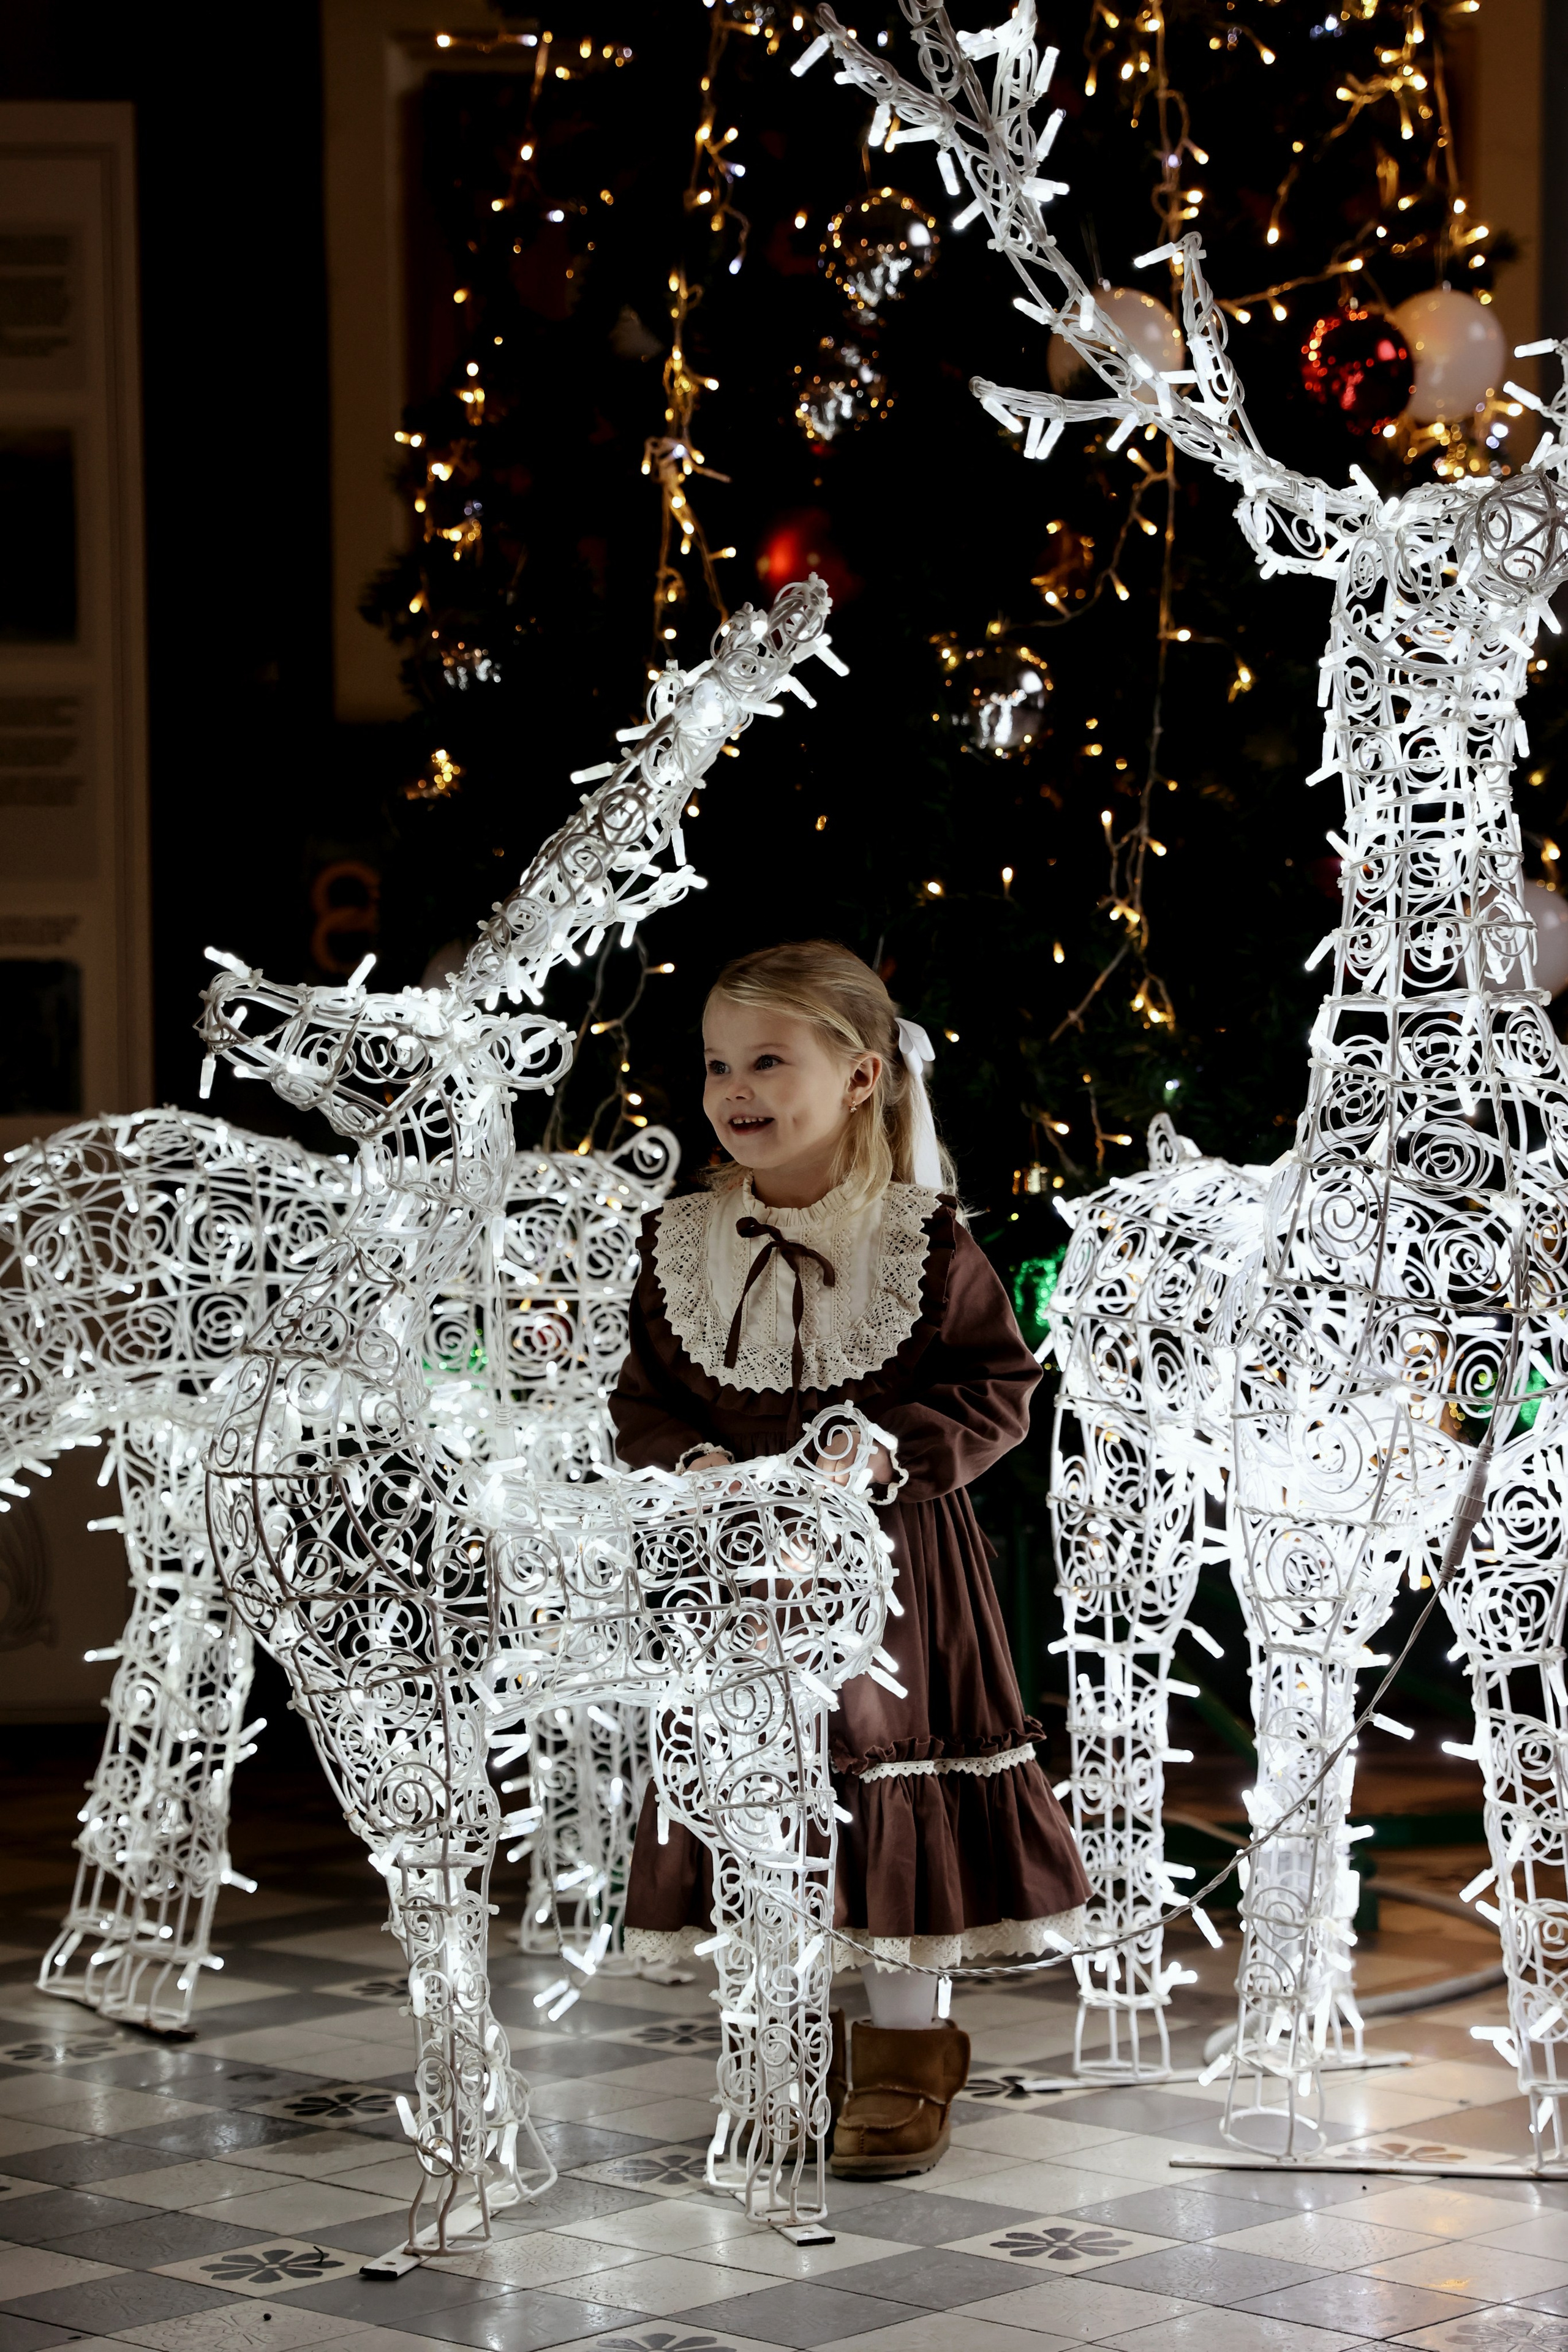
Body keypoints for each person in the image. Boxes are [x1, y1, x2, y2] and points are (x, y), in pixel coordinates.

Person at [609, 939, 1088, 2179]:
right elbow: (635, 1400)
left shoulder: (919, 1238)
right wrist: (692, 1467)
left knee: (886, 1777)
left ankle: (902, 2057)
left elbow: (997, 1386)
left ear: (863, 1076)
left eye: (768, 1060)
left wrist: (882, 1457)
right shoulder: (680, 1240)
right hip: (729, 1573)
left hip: (891, 1579)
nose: (734, 1088)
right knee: (758, 1789)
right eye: (718, 1064)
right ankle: (779, 2037)